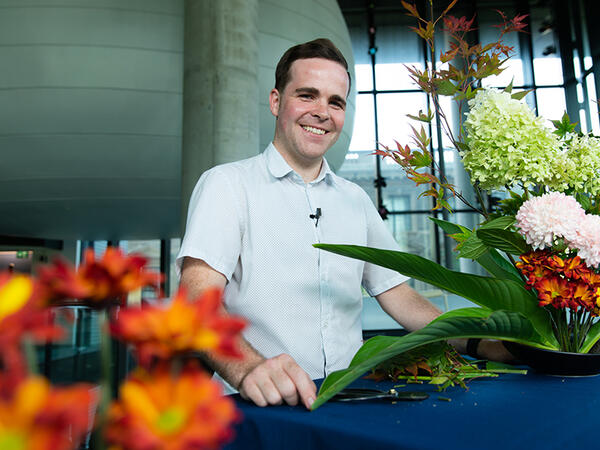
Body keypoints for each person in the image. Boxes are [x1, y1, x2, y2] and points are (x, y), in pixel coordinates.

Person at [177, 38, 511, 410]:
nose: (322, 112)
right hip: (253, 407)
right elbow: (196, 300)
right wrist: (250, 369)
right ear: (276, 101)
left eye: (335, 102)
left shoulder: (355, 199)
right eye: (307, 95)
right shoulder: (227, 185)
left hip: (345, 402)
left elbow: (400, 296)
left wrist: (483, 342)